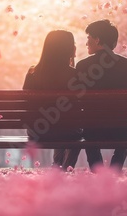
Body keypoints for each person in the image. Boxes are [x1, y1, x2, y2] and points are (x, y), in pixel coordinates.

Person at [65, 19, 127, 172]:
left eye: (88, 38)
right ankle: (115, 168)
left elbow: (75, 99)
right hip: (121, 130)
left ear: (97, 39)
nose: (86, 43)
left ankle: (97, 169)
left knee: (87, 129)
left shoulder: (83, 66)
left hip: (93, 129)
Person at [22, 30, 81, 169]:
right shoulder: (76, 75)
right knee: (69, 128)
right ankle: (65, 167)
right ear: (68, 49)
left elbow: (26, 105)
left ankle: (57, 166)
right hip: (68, 133)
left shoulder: (33, 73)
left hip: (38, 131)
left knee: (59, 122)